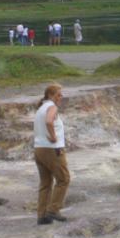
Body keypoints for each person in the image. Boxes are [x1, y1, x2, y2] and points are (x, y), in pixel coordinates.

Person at [33, 83, 70, 225]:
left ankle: (42, 216)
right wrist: (54, 137)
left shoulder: (41, 108)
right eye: (58, 94)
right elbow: (49, 121)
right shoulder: (52, 107)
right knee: (64, 179)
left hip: (39, 149)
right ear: (50, 95)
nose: (61, 97)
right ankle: (53, 209)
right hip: (52, 149)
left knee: (45, 183)